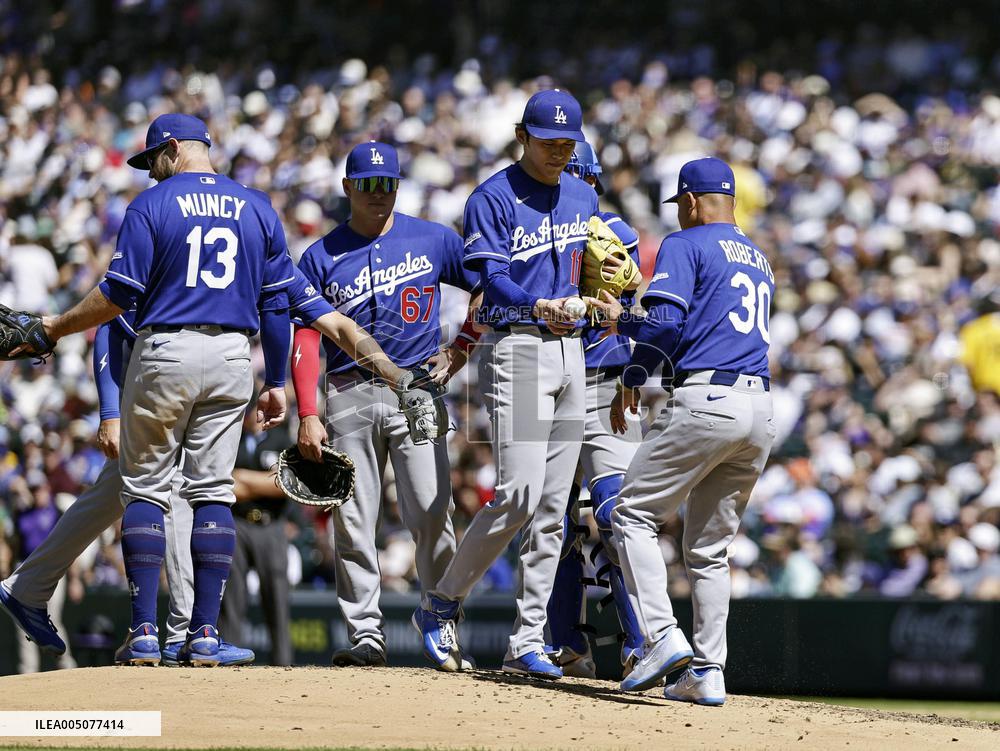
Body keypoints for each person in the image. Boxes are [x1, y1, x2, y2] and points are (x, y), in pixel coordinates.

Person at [18, 113, 409, 667]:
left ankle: (149, 632)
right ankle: (203, 634)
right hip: (231, 358)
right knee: (211, 492)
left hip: (166, 350)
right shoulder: (255, 207)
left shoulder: (151, 206)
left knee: (147, 490)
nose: (151, 172)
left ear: (173, 148)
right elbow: (285, 309)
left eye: (153, 158)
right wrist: (278, 382)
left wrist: (54, 327)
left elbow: (116, 300)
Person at [413, 89, 595, 679]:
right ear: (523, 134)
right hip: (517, 345)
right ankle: (442, 602)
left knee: (552, 509)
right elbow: (489, 280)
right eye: (548, 142)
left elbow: (591, 267)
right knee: (518, 493)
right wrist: (543, 304)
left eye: (567, 143)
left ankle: (527, 639)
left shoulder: (582, 191)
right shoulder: (493, 196)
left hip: (573, 353)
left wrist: (606, 293)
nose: (558, 152)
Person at [291, 140, 480, 667]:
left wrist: (463, 346)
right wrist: (308, 410)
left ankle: (440, 621)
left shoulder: (434, 238)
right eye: (369, 184)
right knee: (354, 516)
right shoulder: (320, 254)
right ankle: (365, 633)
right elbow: (306, 339)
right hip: (349, 390)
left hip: (417, 388)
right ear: (348, 187)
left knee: (431, 508)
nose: (379, 193)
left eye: (388, 184)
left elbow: (486, 287)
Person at [594, 157, 776, 705]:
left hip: (705, 400)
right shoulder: (759, 257)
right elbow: (696, 322)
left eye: (682, 204)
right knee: (709, 551)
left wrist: (631, 371)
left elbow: (670, 324)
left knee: (631, 514)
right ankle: (709, 670)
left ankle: (661, 638)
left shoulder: (685, 241)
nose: (682, 212)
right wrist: (624, 321)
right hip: (760, 407)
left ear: (691, 201)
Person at [544, 141, 645, 679]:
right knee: (550, 519)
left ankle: (637, 639)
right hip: (550, 382)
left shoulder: (615, 231)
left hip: (606, 380)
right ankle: (567, 644)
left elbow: (640, 303)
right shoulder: (534, 234)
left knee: (614, 511)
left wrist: (635, 360)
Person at [218, 404, 295, 666]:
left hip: (270, 525)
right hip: (237, 522)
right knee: (231, 598)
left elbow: (283, 483)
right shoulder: (232, 440)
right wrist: (260, 482)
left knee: (277, 598)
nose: (255, 415)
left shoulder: (281, 438)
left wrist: (241, 477)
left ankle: (282, 663)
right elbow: (222, 484)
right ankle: (230, 658)